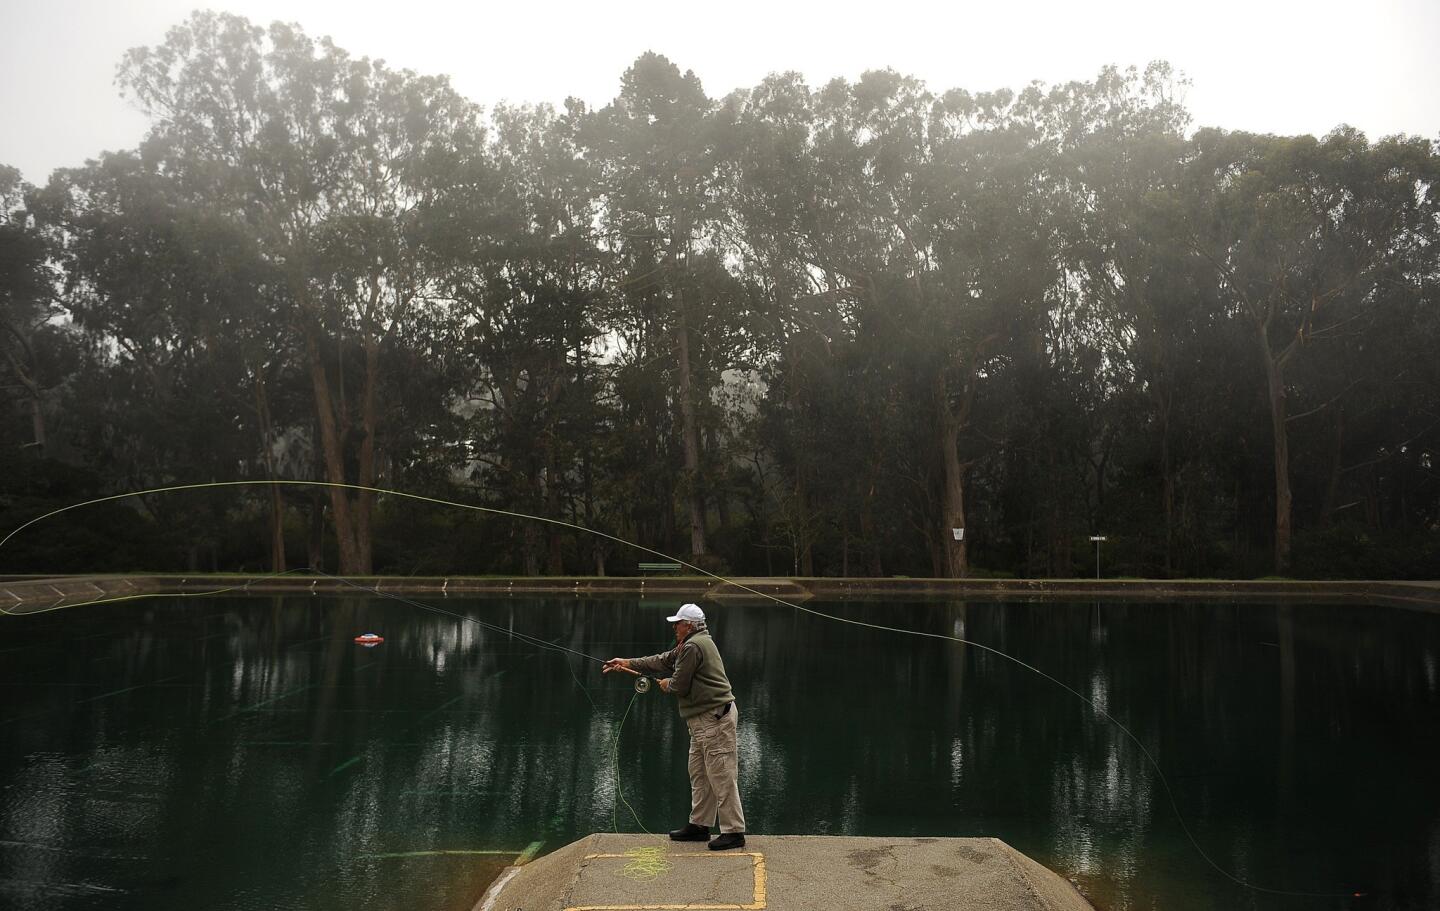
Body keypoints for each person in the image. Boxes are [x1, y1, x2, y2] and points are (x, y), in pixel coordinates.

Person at [603, 603, 747, 850]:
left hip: (714, 720)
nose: (674, 627)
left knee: (721, 775)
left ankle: (734, 832)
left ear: (689, 625)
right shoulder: (692, 643)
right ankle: (700, 826)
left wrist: (667, 684)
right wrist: (627, 662)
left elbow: (678, 685)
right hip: (703, 721)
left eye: (678, 623)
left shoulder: (693, 646)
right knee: (699, 774)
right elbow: (662, 660)